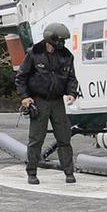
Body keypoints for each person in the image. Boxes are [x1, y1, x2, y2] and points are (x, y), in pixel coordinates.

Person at [17, 21, 81, 184]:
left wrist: (72, 93)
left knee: (64, 137)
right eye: (60, 40)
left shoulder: (66, 56)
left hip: (57, 101)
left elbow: (71, 78)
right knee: (36, 139)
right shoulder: (34, 53)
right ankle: (32, 172)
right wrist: (25, 97)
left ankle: (69, 172)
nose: (62, 43)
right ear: (51, 39)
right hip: (39, 100)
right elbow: (21, 77)